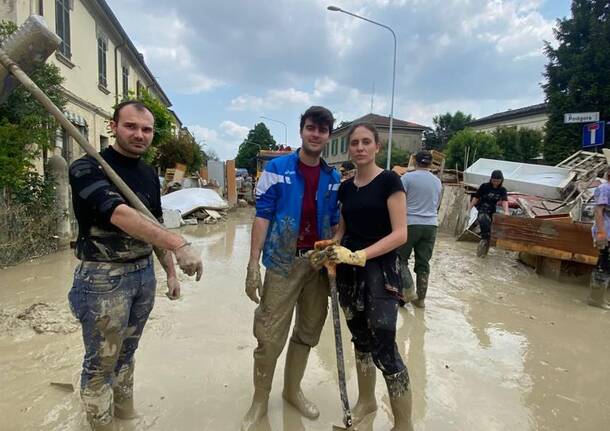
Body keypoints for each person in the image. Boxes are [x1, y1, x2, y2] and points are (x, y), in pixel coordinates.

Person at [68, 100, 203, 431]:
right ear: (113, 126)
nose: (139, 135)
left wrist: (170, 272)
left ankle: (127, 418)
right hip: (103, 278)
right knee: (101, 364)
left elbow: (153, 223)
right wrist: (180, 244)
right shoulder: (86, 168)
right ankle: (102, 426)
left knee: (127, 356)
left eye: (146, 129)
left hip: (142, 274)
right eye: (131, 126)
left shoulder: (146, 174)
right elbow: (120, 215)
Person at [241, 106, 340, 430]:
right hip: (283, 263)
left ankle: (292, 391)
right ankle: (260, 400)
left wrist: (336, 249)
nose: (316, 134)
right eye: (311, 128)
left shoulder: (333, 176)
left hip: (318, 264)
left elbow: (339, 222)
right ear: (302, 130)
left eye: (322, 130)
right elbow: (262, 215)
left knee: (308, 331)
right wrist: (252, 265)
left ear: (328, 136)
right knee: (269, 335)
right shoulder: (277, 168)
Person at [326, 122, 412, 430]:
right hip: (349, 272)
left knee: (384, 344)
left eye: (366, 142)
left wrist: (362, 255)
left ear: (377, 147)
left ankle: (403, 424)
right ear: (349, 149)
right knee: (360, 340)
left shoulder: (390, 181)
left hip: (381, 271)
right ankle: (366, 402)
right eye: (355, 143)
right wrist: (331, 247)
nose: (360, 147)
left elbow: (401, 233)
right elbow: (343, 230)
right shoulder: (346, 187)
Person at [398, 151, 442, 308]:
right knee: (423, 263)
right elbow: (437, 205)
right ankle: (421, 299)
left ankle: (408, 291)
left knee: (399, 259)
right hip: (431, 225)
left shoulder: (407, 178)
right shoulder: (437, 182)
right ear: (430, 164)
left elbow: (399, 201)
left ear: (414, 162)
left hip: (410, 223)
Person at [468, 170, 509, 257]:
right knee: (483, 219)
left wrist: (506, 211)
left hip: (492, 211)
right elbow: (476, 197)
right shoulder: (484, 186)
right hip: (482, 208)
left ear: (501, 180)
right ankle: (484, 239)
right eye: (494, 181)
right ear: (491, 179)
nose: (495, 183)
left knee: (491, 231)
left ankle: (485, 250)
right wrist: (469, 208)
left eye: (498, 181)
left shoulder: (502, 190)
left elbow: (504, 201)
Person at [588, 168, 610, 309]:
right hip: (606, 231)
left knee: (608, 264)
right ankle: (596, 299)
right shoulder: (604, 188)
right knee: (604, 263)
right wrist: (601, 233)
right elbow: (598, 211)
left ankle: (600, 297)